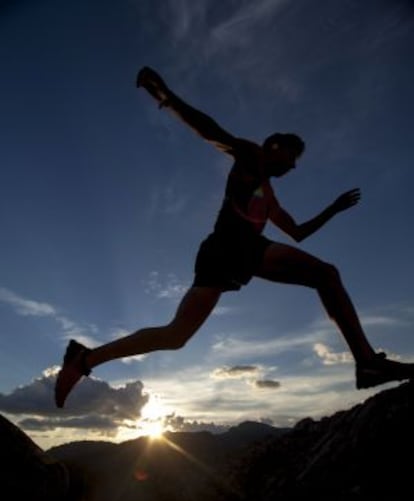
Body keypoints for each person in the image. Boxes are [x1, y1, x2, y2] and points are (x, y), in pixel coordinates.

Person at [55, 66, 414, 408]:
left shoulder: (268, 195)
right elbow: (209, 129)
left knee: (176, 336)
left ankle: (85, 359)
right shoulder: (251, 157)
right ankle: (366, 362)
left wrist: (332, 210)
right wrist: (167, 96)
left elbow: (298, 233)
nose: (293, 166)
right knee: (326, 275)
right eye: (292, 157)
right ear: (274, 146)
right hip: (232, 248)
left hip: (224, 256)